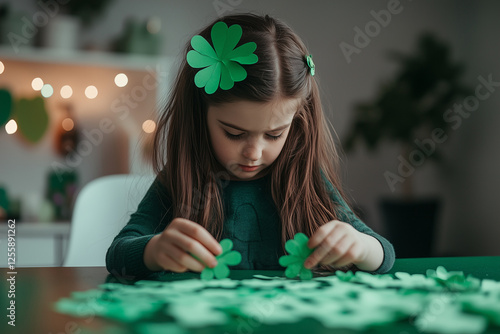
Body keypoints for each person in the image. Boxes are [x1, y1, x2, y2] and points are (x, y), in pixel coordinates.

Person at [106, 13, 395, 279]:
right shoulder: (181, 177)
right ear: (199, 118)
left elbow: (385, 254)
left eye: (273, 135)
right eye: (234, 133)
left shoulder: (305, 178)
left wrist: (360, 246)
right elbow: (118, 254)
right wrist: (153, 251)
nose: (254, 153)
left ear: (296, 123)